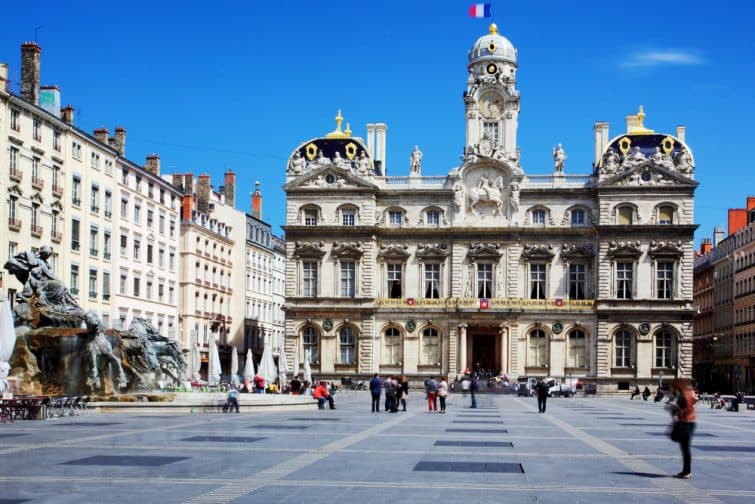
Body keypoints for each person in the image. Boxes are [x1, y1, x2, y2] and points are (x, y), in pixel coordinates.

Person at [670, 378, 697, 479]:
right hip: (689, 422)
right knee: (685, 448)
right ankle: (686, 471)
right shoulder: (688, 393)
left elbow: (687, 408)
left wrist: (675, 410)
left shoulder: (684, 395)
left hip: (686, 423)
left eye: (674, 386)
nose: (672, 389)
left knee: (685, 449)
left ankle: (687, 472)